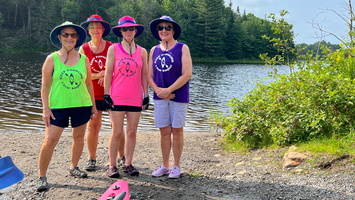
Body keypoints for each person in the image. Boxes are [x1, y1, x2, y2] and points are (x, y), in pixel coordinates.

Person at [37, 21, 97, 192]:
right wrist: (45, 109)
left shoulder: (83, 59)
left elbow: (89, 85)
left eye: (73, 35)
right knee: (50, 140)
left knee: (78, 138)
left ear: (77, 38)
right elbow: (45, 87)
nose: (69, 38)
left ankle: (74, 167)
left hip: (81, 105)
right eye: (65, 34)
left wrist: (93, 106)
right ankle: (42, 176)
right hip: (58, 107)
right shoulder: (52, 59)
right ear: (59, 37)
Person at [104, 16, 149, 178]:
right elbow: (108, 72)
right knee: (117, 132)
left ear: (135, 31)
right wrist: (106, 94)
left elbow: (144, 75)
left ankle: (128, 163)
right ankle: (112, 165)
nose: (128, 32)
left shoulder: (143, 51)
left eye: (131, 29)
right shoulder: (113, 49)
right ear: (120, 31)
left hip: (135, 97)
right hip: (117, 96)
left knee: (131, 131)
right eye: (125, 29)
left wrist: (146, 95)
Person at [148, 16, 192, 179]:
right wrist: (159, 91)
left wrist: (169, 90)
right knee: (164, 131)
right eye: (161, 27)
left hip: (178, 96)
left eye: (168, 27)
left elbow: (187, 74)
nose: (164, 30)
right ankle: (165, 165)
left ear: (173, 31)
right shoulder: (154, 50)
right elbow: (149, 75)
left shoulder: (182, 48)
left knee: (177, 130)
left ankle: (176, 166)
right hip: (160, 96)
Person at [79, 14, 112, 171]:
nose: (95, 29)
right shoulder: (84, 49)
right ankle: (91, 158)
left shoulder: (111, 47)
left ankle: (121, 157)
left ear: (103, 29)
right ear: (88, 30)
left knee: (116, 126)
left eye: (98, 26)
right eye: (92, 27)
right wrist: (98, 75)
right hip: (92, 93)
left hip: (111, 92)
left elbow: (119, 70)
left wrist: (106, 73)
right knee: (94, 125)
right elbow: (81, 74)